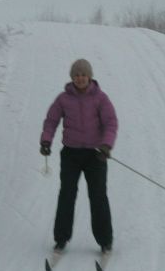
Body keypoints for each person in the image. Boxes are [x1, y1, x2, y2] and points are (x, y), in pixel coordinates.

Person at [40, 58, 118, 254]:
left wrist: (106, 145)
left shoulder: (100, 98)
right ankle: (61, 239)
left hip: (96, 155)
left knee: (98, 196)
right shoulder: (63, 99)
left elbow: (111, 123)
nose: (80, 78)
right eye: (76, 75)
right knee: (67, 194)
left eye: (83, 74)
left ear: (90, 76)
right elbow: (51, 121)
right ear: (72, 77)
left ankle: (105, 241)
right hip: (71, 154)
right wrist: (46, 140)